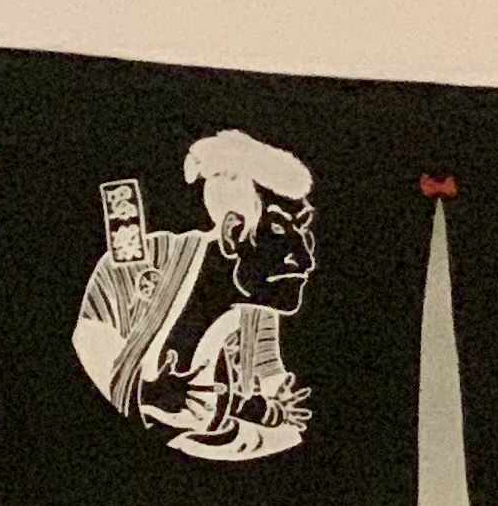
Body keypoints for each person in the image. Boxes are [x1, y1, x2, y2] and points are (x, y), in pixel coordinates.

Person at [72, 127, 318, 463]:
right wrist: (146, 392)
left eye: (303, 230)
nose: (306, 259)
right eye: (278, 229)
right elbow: (91, 336)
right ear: (233, 232)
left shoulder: (260, 305)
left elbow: (270, 377)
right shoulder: (145, 261)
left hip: (231, 445)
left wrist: (282, 402)